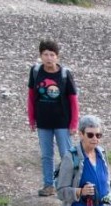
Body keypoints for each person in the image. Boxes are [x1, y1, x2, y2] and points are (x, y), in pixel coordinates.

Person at [28, 39, 79, 197]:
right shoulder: (36, 72)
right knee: (46, 155)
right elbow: (31, 96)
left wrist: (74, 123)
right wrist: (31, 119)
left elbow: (73, 100)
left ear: (57, 57)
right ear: (40, 55)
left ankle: (66, 185)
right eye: (45, 54)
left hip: (62, 121)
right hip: (43, 121)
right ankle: (48, 185)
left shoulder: (64, 74)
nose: (49, 58)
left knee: (66, 154)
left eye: (52, 55)